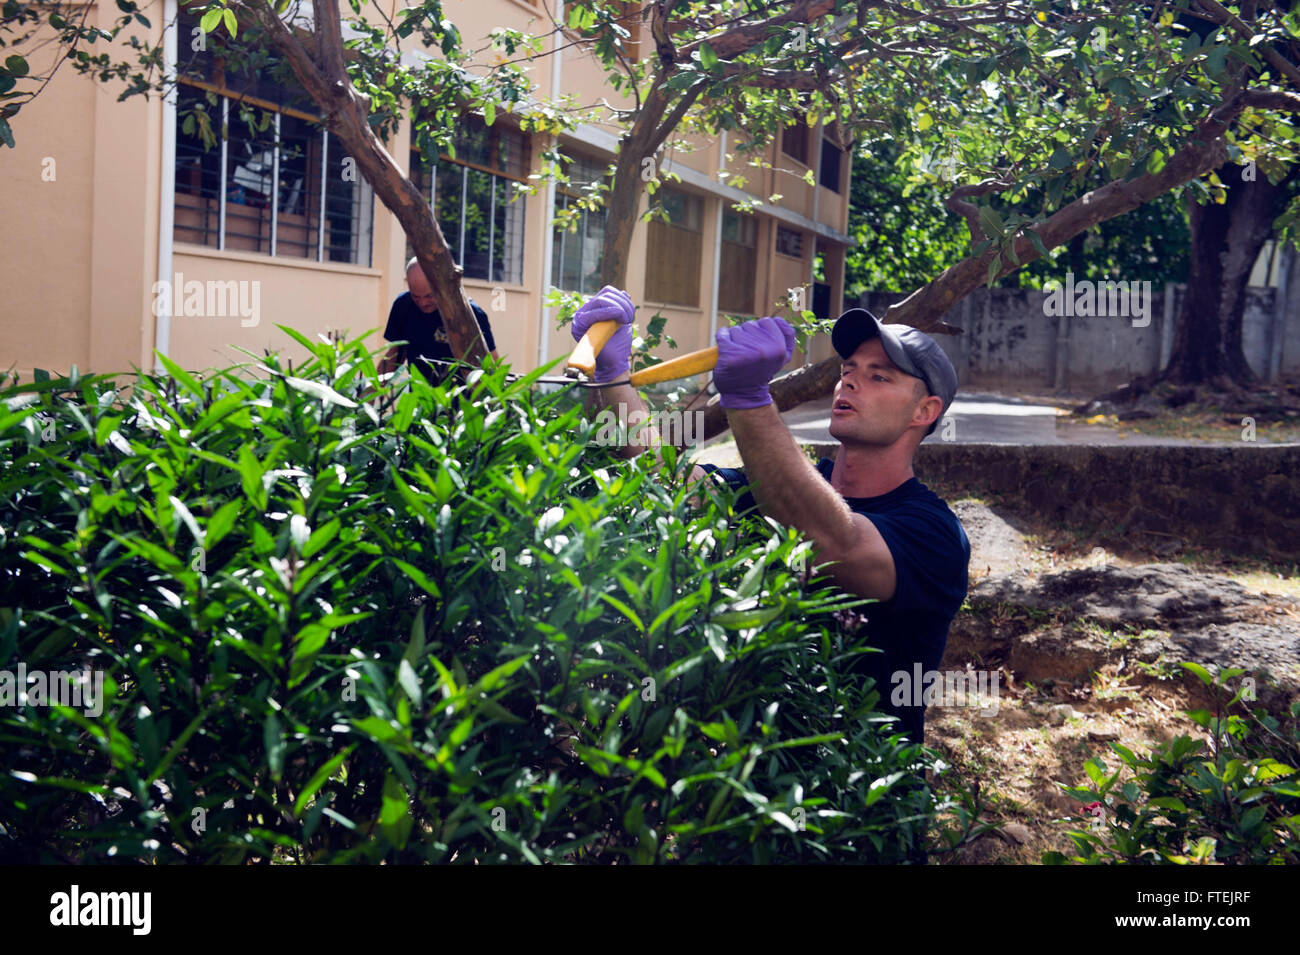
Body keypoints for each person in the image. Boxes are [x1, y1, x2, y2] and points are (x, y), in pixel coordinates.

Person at [570, 287, 970, 744]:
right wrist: (612, 376)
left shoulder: (935, 533)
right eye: (848, 370)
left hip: (852, 799)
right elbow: (664, 483)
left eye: (879, 377)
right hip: (745, 786)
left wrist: (748, 398)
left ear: (925, 410)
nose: (850, 382)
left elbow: (833, 543)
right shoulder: (774, 488)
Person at [379, 257, 500, 383]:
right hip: (421, 396)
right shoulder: (403, 306)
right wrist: (369, 394)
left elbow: (491, 364)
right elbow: (394, 356)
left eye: (429, 296)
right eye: (416, 296)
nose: (423, 303)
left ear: (441, 285)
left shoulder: (472, 314)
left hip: (463, 398)